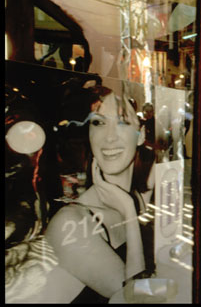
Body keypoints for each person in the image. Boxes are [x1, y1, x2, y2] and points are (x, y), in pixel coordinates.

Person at [45, 80, 156, 303]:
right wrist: (129, 214)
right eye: (98, 123)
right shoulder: (72, 222)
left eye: (123, 122)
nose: (110, 137)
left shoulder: (141, 197)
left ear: (141, 135)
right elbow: (141, 300)